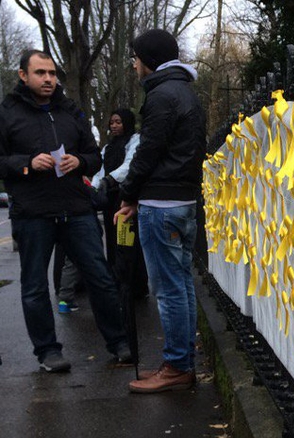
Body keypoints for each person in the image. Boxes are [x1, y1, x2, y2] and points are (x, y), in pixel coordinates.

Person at [0, 49, 131, 372]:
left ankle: (119, 344)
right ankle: (48, 352)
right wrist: (26, 164)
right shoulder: (8, 112)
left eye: (52, 73)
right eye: (40, 73)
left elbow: (94, 155)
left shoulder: (70, 110)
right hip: (33, 213)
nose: (48, 79)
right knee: (34, 286)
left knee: (100, 277)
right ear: (23, 75)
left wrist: (80, 161)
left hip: (76, 208)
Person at [116, 30, 206, 393]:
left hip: (161, 206)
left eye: (136, 58)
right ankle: (181, 361)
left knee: (169, 290)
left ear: (147, 58)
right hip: (182, 201)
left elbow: (147, 153)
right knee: (181, 285)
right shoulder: (185, 92)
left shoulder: (160, 95)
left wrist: (128, 196)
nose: (135, 64)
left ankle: (177, 367)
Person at [92, 108, 148, 303]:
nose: (114, 126)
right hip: (110, 202)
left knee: (128, 242)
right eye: (112, 122)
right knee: (114, 243)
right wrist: (94, 188)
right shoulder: (108, 147)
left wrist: (110, 179)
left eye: (118, 122)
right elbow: (99, 171)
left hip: (126, 199)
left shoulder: (135, 141)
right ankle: (118, 284)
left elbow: (129, 166)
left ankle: (133, 287)